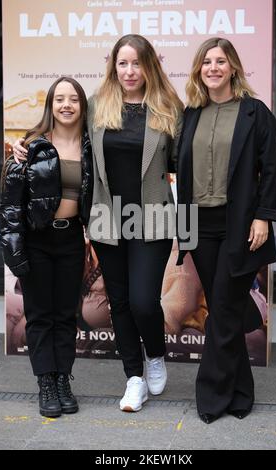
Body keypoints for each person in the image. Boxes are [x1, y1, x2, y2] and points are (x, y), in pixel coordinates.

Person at [176, 37, 276, 423]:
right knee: (226, 308)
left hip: (240, 225)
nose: (213, 68)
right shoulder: (191, 113)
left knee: (221, 308)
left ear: (233, 66)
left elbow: (269, 169)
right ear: (199, 70)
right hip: (199, 225)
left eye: (220, 61)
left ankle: (212, 395)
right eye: (206, 62)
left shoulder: (255, 113)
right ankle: (241, 393)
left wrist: (263, 216)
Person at [86, 34, 183, 412]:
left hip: (153, 218)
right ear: (113, 65)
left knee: (144, 301)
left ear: (150, 66)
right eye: (122, 63)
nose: (129, 71)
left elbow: (183, 163)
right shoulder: (97, 106)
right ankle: (134, 377)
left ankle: (155, 355)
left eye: (137, 63)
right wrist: (31, 143)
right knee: (120, 302)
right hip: (107, 217)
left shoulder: (168, 108)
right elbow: (66, 137)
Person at [0, 77, 93, 418]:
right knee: (39, 315)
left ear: (82, 105)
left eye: (73, 99)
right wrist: (13, 250)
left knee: (65, 315)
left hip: (71, 239)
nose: (66, 105)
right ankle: (46, 382)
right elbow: (10, 206)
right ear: (50, 105)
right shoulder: (32, 146)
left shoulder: (90, 146)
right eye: (59, 99)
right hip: (37, 239)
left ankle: (63, 379)